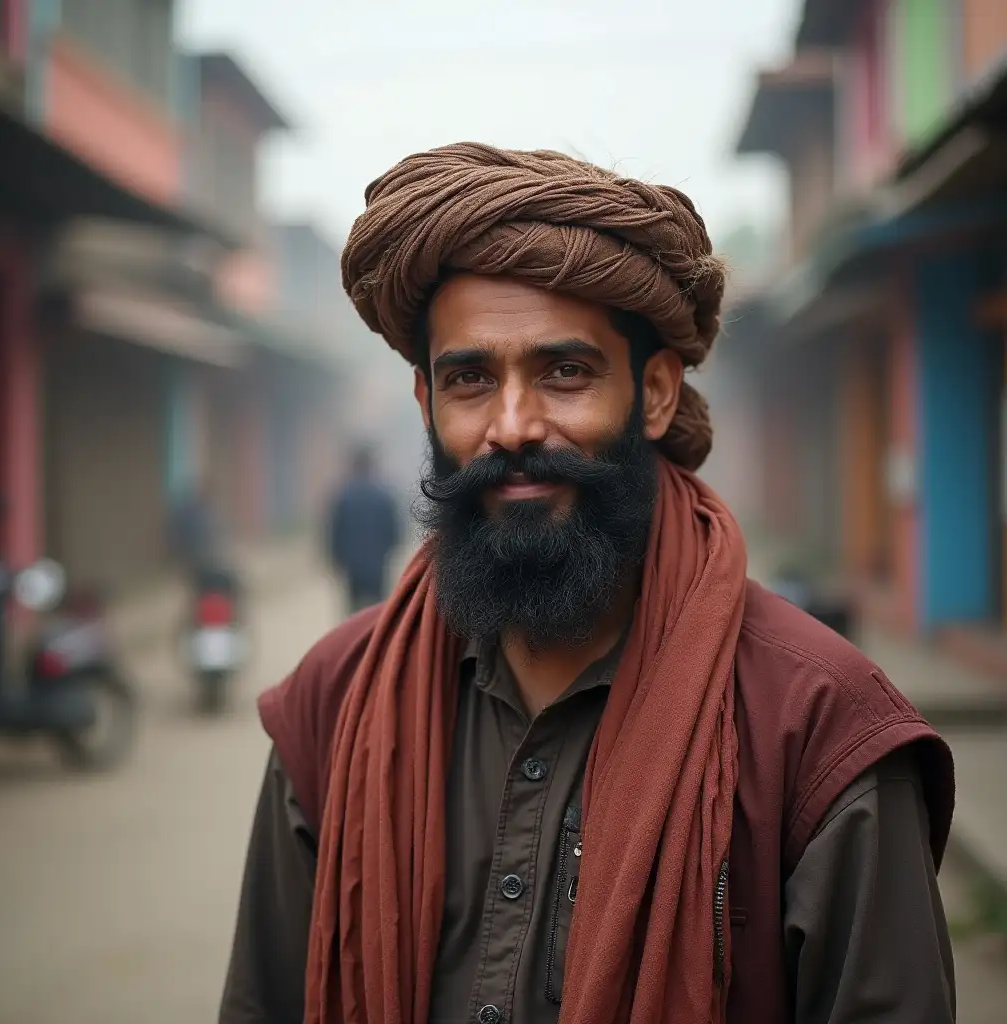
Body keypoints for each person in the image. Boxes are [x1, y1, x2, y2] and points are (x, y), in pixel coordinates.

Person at [220, 144, 955, 1024]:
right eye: (470, 379)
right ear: (425, 405)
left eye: (564, 372)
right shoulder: (331, 709)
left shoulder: (818, 734)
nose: (514, 425)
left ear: (652, 392)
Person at [325, 445, 401, 612]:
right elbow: (395, 532)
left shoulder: (343, 496)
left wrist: (336, 559)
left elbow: (334, 533)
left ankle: (358, 637)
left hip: (353, 567)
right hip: (377, 564)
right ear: (372, 464)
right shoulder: (383, 495)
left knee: (355, 615)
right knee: (379, 611)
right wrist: (386, 552)